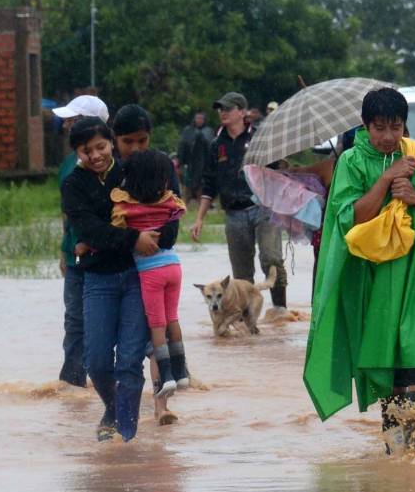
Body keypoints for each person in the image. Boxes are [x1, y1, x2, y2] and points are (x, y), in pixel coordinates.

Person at [303, 88, 415, 453]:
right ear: (365, 125)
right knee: (390, 374)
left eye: (396, 127)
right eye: (380, 128)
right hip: (374, 283)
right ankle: (398, 458)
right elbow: (352, 218)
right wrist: (385, 180)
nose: (389, 137)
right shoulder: (351, 162)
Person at [61, 115, 161, 442]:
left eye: (101, 146)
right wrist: (132, 237)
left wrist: (103, 239)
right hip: (98, 281)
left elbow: (158, 212)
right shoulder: (73, 185)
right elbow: (88, 229)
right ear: (78, 152)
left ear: (111, 142)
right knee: (97, 362)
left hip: (136, 276)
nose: (95, 155)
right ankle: (114, 408)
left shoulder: (129, 173)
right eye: (85, 150)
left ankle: (125, 437)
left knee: (130, 362)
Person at [111, 104, 186, 425]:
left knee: (159, 335)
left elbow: (174, 213)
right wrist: (134, 238)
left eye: (142, 141)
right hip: (123, 268)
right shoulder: (112, 171)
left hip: (154, 263)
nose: (136, 148)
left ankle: (161, 407)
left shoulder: (160, 167)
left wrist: (154, 237)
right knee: (133, 342)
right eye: (128, 142)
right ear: (115, 140)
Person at [190, 91, 288, 315]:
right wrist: (199, 219)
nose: (223, 112)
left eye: (228, 108)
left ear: (242, 113)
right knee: (242, 273)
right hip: (233, 213)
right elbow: (209, 185)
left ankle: (280, 309)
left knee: (271, 258)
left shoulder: (260, 139)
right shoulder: (216, 145)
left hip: (263, 208)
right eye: (220, 109)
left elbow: (278, 171)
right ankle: (246, 320)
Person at [102, 150, 190, 401]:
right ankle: (182, 372)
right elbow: (179, 209)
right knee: (172, 317)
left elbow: (116, 229)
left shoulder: (126, 206)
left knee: (157, 325)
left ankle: (167, 376)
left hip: (150, 272)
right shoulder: (170, 201)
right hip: (173, 265)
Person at [50, 94, 109, 387]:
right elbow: (66, 211)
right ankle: (72, 382)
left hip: (104, 253)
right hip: (74, 254)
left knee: (110, 318)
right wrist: (64, 250)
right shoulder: (67, 164)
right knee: (74, 318)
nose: (65, 126)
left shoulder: (110, 164)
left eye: (71, 120)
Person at [176, 110, 213, 203]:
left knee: (202, 183)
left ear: (204, 120)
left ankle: (201, 202)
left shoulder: (208, 131)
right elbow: (182, 146)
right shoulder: (188, 130)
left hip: (203, 162)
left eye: (201, 118)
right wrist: (180, 161)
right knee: (187, 182)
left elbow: (210, 147)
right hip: (189, 162)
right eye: (197, 118)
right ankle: (185, 202)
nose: (199, 120)